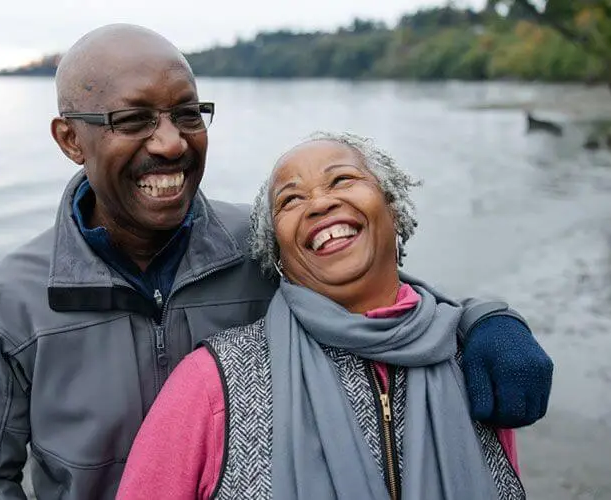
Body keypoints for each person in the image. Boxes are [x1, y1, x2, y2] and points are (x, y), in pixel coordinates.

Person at [0, 24, 553, 500]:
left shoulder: (256, 245)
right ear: (71, 139)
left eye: (186, 113)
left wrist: (482, 321)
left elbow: (368, 284)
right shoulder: (11, 305)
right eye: (133, 120)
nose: (171, 142)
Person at [116, 132, 539, 500]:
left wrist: (490, 317)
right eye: (291, 200)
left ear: (393, 208)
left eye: (342, 179)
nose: (319, 203)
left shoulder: (478, 359)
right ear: (277, 253)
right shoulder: (211, 384)